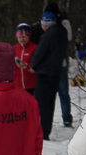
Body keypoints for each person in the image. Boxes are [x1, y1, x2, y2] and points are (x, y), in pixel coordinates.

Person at [31, 11, 68, 141]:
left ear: (45, 24)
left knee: (42, 105)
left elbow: (40, 54)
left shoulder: (47, 37)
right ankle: (46, 131)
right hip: (56, 73)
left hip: (44, 74)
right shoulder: (63, 34)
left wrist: (32, 65)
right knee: (51, 104)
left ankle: (41, 133)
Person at [14, 23, 37, 95]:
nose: (21, 39)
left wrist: (26, 66)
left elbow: (38, 66)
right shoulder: (14, 48)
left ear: (28, 36)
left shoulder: (34, 48)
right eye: (19, 37)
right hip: (17, 85)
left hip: (31, 85)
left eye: (24, 37)